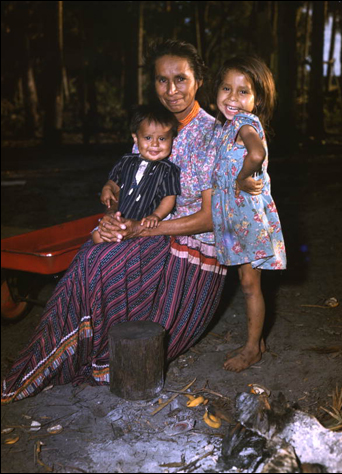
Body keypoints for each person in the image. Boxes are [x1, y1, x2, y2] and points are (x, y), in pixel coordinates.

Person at [1, 40, 226, 404]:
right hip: (148, 232)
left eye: (180, 79)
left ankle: (77, 360)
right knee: (92, 253)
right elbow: (129, 187)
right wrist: (112, 218)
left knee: (100, 262)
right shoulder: (153, 127)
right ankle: (45, 362)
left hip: (193, 248)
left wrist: (142, 228)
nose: (171, 90)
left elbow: (211, 218)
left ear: (198, 80)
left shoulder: (214, 135)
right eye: (161, 80)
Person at [211, 55, 286, 373]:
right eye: (227, 88)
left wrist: (243, 177)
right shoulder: (227, 127)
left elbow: (257, 153)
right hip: (237, 220)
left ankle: (253, 347)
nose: (232, 98)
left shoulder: (245, 123)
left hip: (248, 221)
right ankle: (258, 339)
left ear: (258, 99)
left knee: (250, 284)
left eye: (243, 91)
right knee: (247, 283)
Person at [92, 105, 181, 244]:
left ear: (172, 140)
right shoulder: (126, 161)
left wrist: (156, 216)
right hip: (122, 217)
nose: (155, 144)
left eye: (162, 139)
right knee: (97, 236)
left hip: (145, 224)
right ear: (135, 138)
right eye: (148, 137)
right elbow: (113, 183)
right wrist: (107, 188)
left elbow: (169, 198)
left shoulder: (169, 170)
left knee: (128, 245)